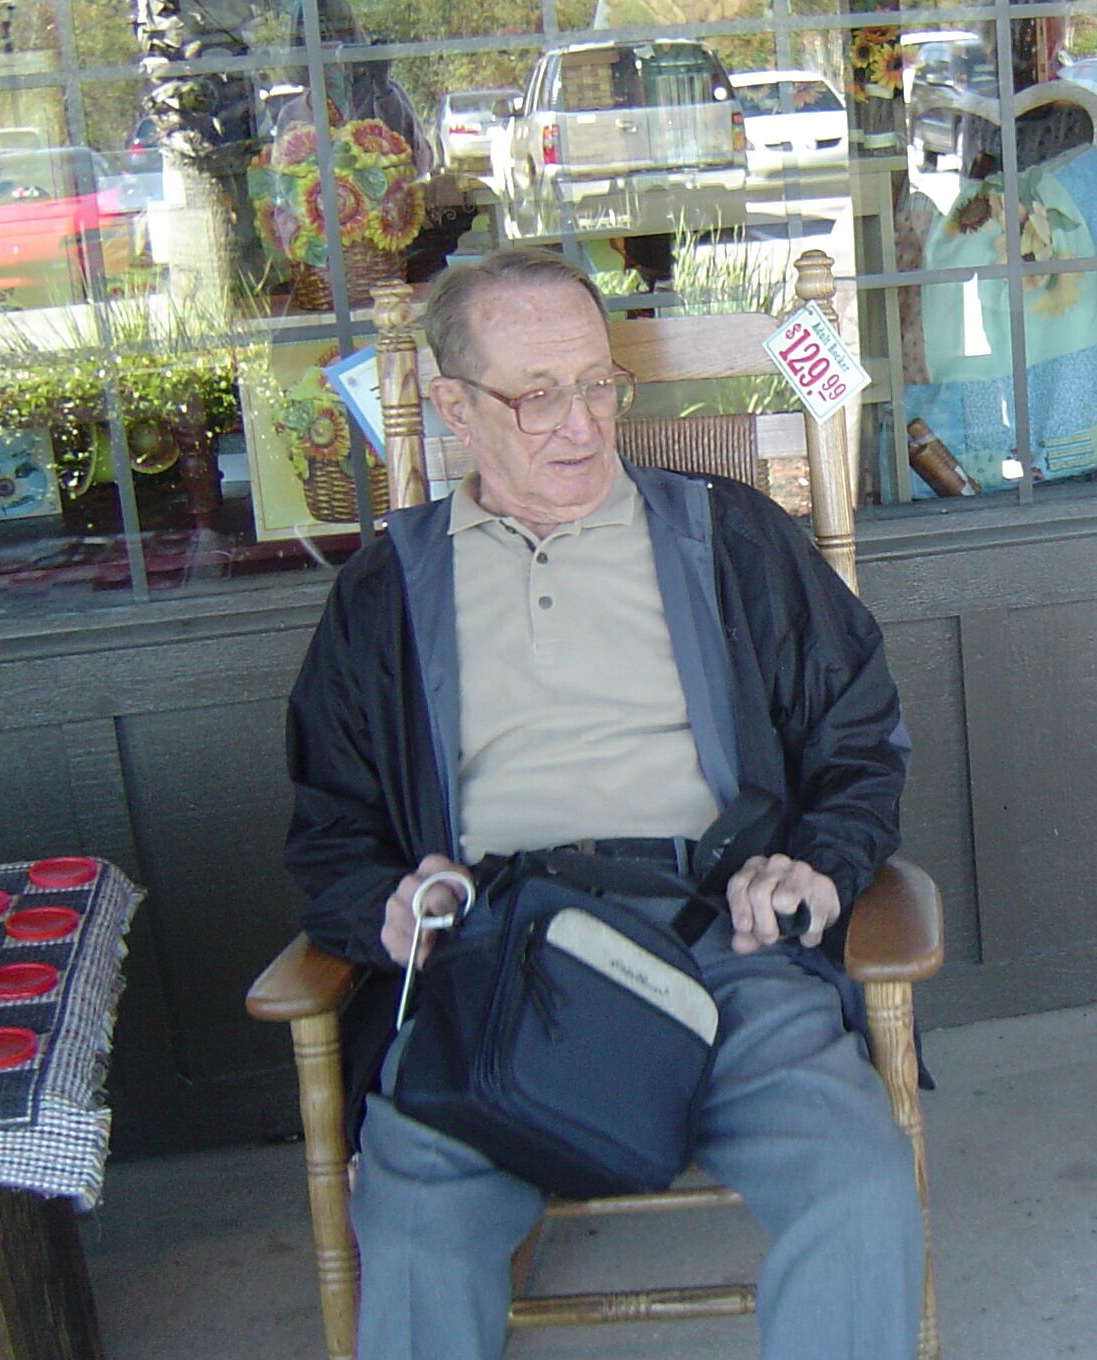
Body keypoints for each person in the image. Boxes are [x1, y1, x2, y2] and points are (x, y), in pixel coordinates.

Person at [282, 246, 921, 1360]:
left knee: (859, 1191)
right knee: (416, 1228)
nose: (581, 424)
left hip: (719, 936)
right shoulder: (387, 591)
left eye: (596, 384)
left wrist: (817, 861)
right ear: (453, 408)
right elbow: (331, 825)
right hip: (496, 963)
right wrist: (388, 905)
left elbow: (857, 737)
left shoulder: (727, 538)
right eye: (536, 396)